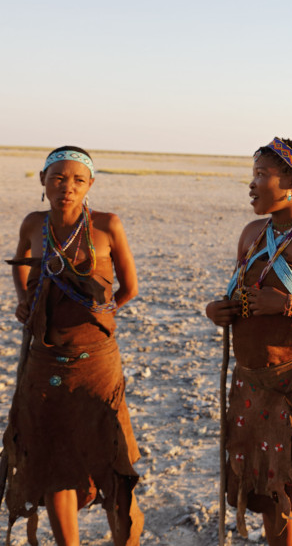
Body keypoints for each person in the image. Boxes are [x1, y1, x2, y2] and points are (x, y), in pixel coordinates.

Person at [205, 137, 292, 546]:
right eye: (254, 174)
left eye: (262, 175)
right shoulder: (252, 233)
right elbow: (238, 297)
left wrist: (286, 306)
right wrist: (218, 311)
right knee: (268, 492)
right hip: (251, 381)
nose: (252, 184)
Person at [5, 146, 143, 546]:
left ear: (90, 185)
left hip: (96, 365)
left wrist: (103, 313)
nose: (67, 187)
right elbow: (20, 263)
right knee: (53, 461)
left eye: (78, 180)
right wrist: (24, 301)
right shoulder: (34, 223)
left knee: (113, 462)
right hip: (43, 362)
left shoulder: (107, 225)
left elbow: (130, 288)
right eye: (58, 178)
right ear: (43, 181)